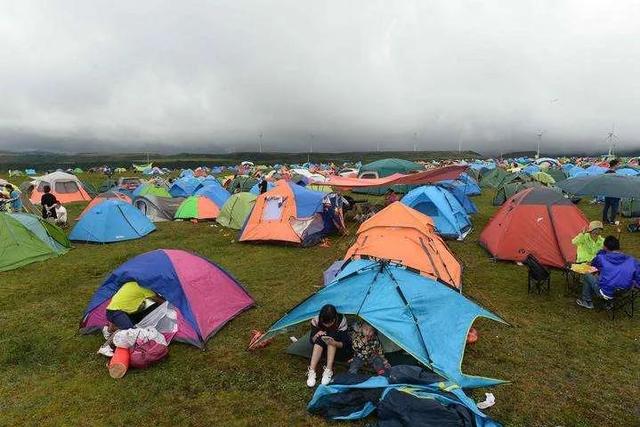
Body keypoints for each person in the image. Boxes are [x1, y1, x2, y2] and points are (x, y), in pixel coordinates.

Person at [576, 236, 640, 309]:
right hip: (625, 291)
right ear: (618, 247)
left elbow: (592, 265)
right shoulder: (632, 260)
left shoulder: (601, 258)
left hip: (606, 292)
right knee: (605, 275)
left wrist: (601, 252)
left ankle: (586, 301)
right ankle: (609, 303)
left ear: (605, 247)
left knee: (587, 275)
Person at [306, 304, 351, 387]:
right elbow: (311, 341)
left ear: (334, 319)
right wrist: (316, 335)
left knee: (331, 339)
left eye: (329, 323)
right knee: (319, 339)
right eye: (324, 323)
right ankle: (312, 370)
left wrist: (334, 343)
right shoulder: (316, 319)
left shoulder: (341, 321)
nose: (327, 326)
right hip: (320, 349)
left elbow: (345, 344)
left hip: (337, 350)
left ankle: (328, 369)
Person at [602, 159, 620, 224]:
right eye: (618, 164)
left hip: (607, 192)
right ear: (615, 165)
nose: (619, 166)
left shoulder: (606, 172)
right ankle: (612, 220)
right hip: (614, 193)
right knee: (614, 208)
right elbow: (617, 185)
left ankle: (605, 219)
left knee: (606, 206)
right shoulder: (615, 174)